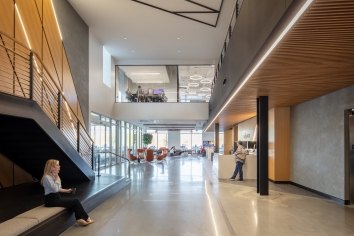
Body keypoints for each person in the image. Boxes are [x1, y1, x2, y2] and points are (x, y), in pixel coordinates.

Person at [41, 159, 94, 226]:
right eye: (57, 165)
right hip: (50, 200)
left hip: (56, 197)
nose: (59, 166)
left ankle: (79, 219)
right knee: (75, 201)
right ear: (52, 167)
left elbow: (58, 189)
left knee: (74, 203)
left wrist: (67, 190)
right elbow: (55, 189)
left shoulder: (54, 176)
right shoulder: (47, 177)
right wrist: (57, 178)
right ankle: (86, 218)